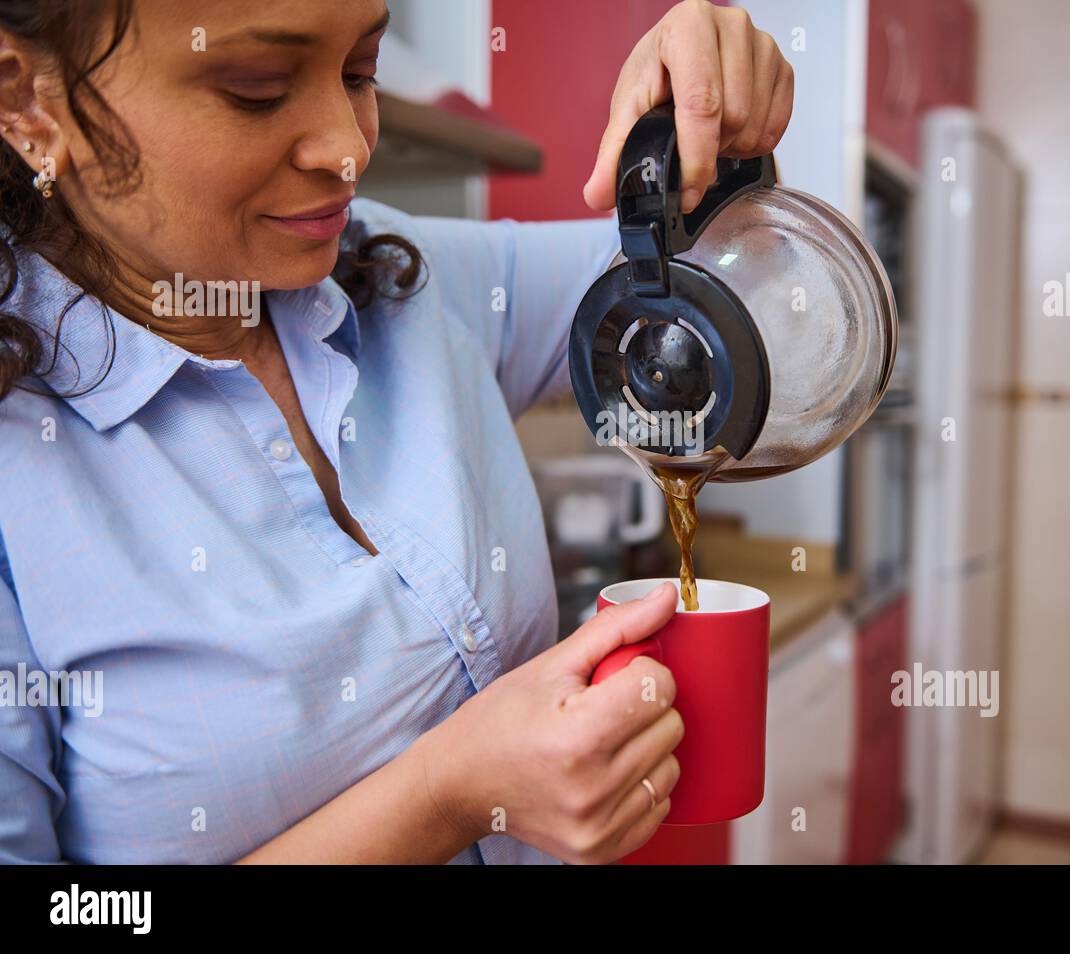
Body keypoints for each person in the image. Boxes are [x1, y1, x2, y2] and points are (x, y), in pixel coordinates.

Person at [0, 0, 793, 864]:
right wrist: (445, 795)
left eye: (359, 72)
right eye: (257, 89)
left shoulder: (399, 275)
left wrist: (713, 125)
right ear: (28, 102)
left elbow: (716, 277)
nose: (347, 147)